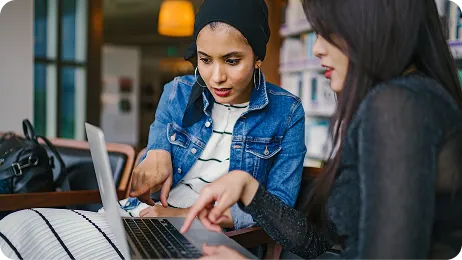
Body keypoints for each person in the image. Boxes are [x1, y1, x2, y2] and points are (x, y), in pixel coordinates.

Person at [0, 0, 307, 259]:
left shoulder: (287, 112)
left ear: (258, 58)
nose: (216, 76)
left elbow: (277, 211)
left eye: (232, 60)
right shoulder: (178, 90)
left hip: (208, 236)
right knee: (19, 226)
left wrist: (184, 216)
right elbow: (157, 149)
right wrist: (155, 151)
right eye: (204, 60)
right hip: (145, 216)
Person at [181, 0, 462, 259]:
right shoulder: (408, 98)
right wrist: (249, 189)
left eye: (328, 31)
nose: (317, 48)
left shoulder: (398, 105)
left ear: (373, 23)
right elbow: (321, 246)